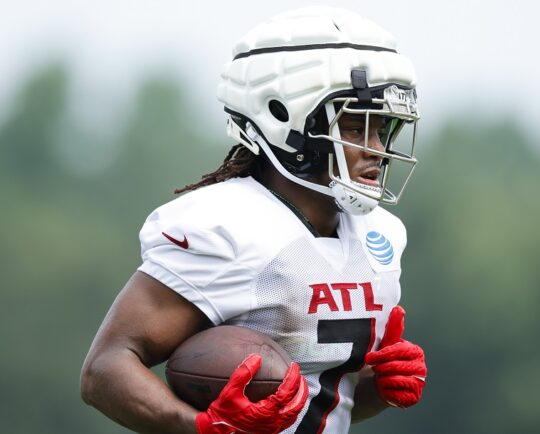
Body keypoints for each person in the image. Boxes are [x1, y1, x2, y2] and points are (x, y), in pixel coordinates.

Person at [80, 6, 427, 434]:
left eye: (383, 129)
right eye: (355, 129)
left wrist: (381, 389)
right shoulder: (228, 226)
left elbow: (324, 406)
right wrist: (198, 427)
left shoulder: (381, 237)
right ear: (285, 120)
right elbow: (104, 368)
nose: (376, 149)